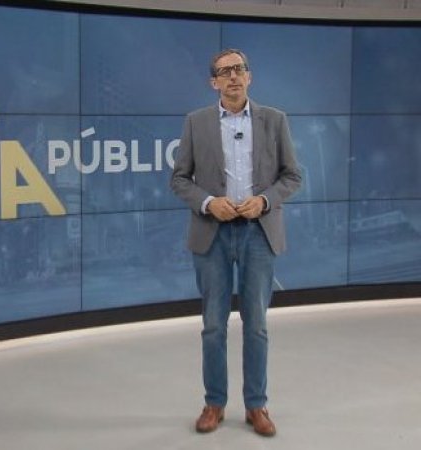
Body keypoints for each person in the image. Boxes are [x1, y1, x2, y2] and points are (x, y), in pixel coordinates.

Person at [170, 49, 301, 437]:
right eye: (224, 72)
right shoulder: (196, 122)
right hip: (212, 233)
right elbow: (179, 179)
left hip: (258, 233)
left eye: (239, 69)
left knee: (256, 324)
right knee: (214, 325)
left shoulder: (275, 120)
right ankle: (214, 403)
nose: (233, 76)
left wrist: (265, 201)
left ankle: (256, 405)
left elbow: (292, 177)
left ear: (249, 77)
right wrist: (209, 203)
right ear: (214, 82)